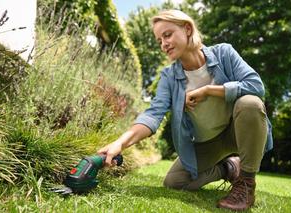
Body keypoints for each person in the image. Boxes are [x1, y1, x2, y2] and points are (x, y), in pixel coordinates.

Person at [98, 9, 273, 211]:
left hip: (236, 132)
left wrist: (209, 90)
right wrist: (120, 143)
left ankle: (246, 183)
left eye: (167, 35)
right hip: (208, 142)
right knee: (174, 182)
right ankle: (230, 167)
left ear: (187, 29)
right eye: (159, 40)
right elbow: (153, 115)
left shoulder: (224, 53)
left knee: (250, 103)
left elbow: (256, 86)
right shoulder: (169, 77)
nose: (163, 44)